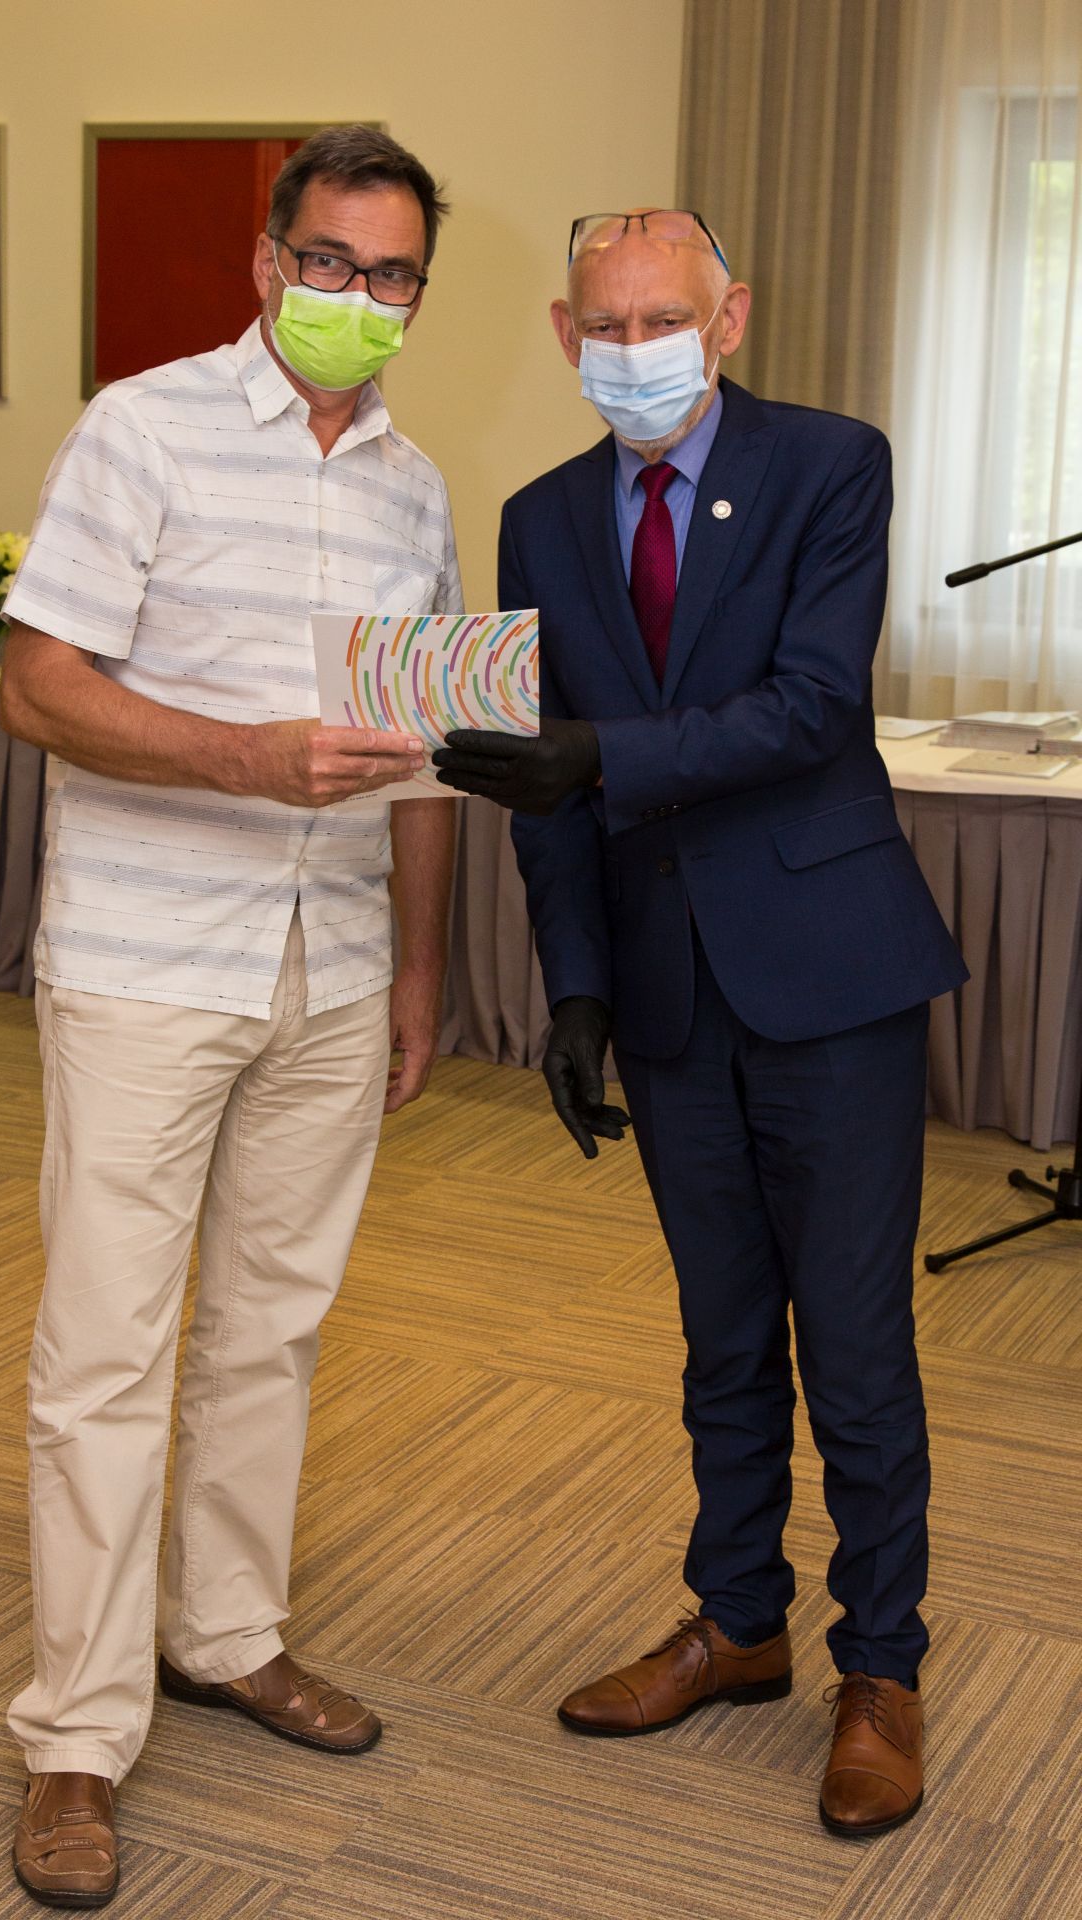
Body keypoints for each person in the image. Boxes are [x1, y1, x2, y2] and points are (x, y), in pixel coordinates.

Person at [434, 208, 966, 1838]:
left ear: (728, 318)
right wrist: (575, 987)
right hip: (667, 994)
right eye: (606, 324)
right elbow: (535, 781)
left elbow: (814, 706)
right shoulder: (538, 517)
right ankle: (739, 1624)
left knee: (854, 1350)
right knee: (722, 1338)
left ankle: (879, 1668)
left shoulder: (832, 465)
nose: (635, 349)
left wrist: (603, 756)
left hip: (831, 977)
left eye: (664, 318)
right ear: (563, 331)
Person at [0, 125, 459, 1908]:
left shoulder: (418, 490)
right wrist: (242, 760)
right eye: (330, 262)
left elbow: (424, 756)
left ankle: (226, 1633)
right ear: (269, 263)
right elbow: (41, 688)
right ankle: (75, 1731)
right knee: (106, 1355)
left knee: (273, 1324)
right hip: (145, 959)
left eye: (393, 274)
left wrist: (420, 969)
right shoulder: (142, 428)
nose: (358, 296)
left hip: (332, 967)